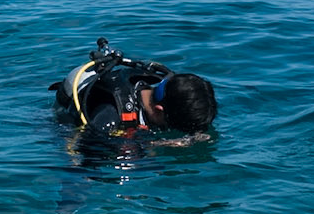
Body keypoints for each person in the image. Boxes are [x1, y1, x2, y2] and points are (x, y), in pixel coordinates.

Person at [50, 39, 218, 139]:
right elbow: (88, 151)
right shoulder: (110, 115)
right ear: (159, 110)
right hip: (64, 126)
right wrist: (157, 145)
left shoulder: (160, 85)